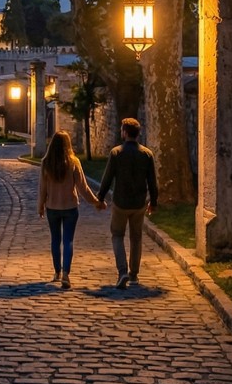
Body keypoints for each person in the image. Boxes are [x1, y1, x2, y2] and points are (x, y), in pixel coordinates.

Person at [38, 130, 104, 289]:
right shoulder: (73, 162)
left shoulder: (46, 162)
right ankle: (66, 274)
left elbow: (42, 188)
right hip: (70, 208)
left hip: (52, 207)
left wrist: (40, 205)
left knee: (55, 240)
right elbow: (83, 187)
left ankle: (57, 273)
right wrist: (96, 202)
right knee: (68, 240)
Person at [97, 118, 158, 289]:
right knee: (136, 237)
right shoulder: (147, 154)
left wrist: (100, 198)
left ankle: (122, 270)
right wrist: (153, 201)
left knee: (117, 235)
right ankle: (134, 274)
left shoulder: (116, 153)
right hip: (139, 203)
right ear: (138, 133)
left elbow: (107, 178)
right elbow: (152, 182)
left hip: (120, 202)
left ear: (124, 132)